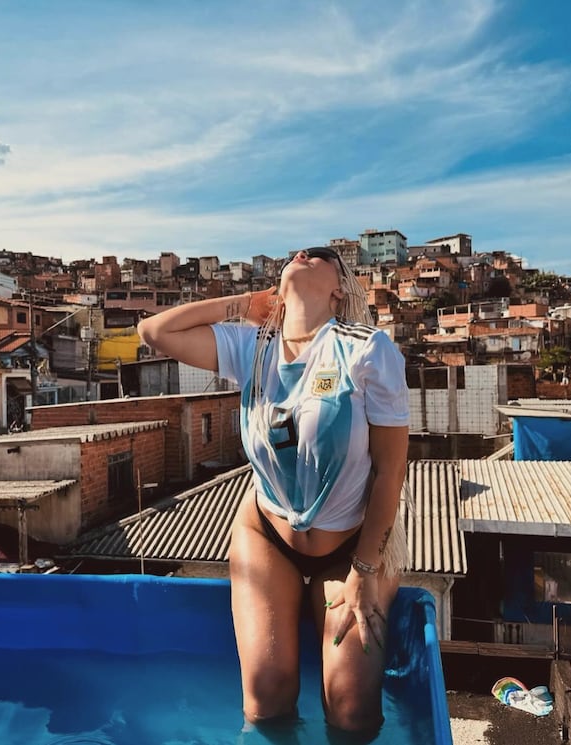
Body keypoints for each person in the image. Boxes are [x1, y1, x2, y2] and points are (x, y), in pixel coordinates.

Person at [137, 247, 410, 740]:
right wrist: (244, 304)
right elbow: (154, 332)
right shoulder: (252, 348)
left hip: (350, 548)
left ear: (340, 288)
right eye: (295, 255)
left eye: (321, 256)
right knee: (266, 697)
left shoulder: (367, 349)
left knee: (352, 709)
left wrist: (364, 571)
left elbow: (392, 470)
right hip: (267, 535)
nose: (303, 254)